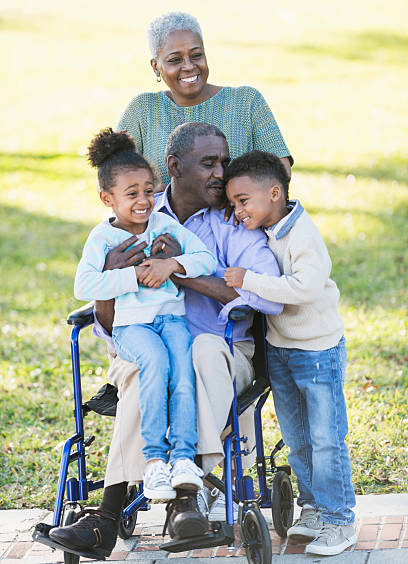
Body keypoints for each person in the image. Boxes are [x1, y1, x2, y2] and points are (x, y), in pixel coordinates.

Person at [49, 122, 283, 559]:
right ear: (174, 167)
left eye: (224, 163)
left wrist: (175, 271)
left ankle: (185, 498)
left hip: (223, 345)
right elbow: (106, 317)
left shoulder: (233, 223)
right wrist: (111, 281)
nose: (221, 173)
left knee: (200, 351)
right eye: (209, 163)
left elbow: (265, 293)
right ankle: (106, 518)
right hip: (142, 339)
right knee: (145, 367)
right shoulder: (130, 218)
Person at [223, 150, 357, 557]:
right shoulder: (265, 229)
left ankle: (341, 519)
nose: (238, 211)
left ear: (275, 193)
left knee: (326, 438)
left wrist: (250, 279)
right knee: (298, 439)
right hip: (280, 350)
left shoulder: (302, 235)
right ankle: (314, 508)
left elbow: (304, 289)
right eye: (232, 204)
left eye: (243, 201)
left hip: (317, 352)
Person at [74, 129, 217, 502]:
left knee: (183, 371)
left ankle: (183, 457)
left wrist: (172, 264)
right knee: (155, 363)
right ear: (108, 198)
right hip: (131, 326)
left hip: (171, 319)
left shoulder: (165, 226)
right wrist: (130, 275)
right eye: (131, 194)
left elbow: (207, 260)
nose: (143, 201)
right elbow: (83, 286)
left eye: (149, 191)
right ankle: (154, 460)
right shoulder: (101, 239)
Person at [117, 11, 293, 184]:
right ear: (156, 66)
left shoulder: (246, 102)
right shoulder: (142, 110)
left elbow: (281, 171)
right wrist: (152, 194)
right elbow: (111, 178)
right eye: (175, 60)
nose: (188, 66)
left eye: (196, 55)